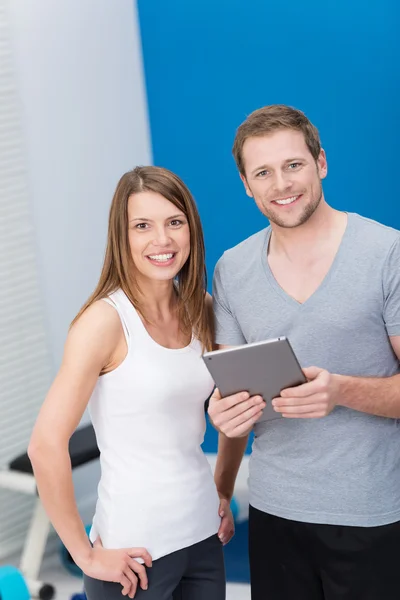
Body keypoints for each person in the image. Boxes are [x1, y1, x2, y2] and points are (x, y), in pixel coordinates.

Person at [208, 104, 400, 600]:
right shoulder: (232, 270)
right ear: (247, 186)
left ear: (321, 163)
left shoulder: (387, 254)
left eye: (293, 165)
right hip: (274, 517)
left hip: (374, 516)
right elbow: (236, 395)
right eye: (263, 173)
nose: (281, 184)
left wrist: (342, 391)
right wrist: (222, 487)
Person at [28, 166, 233, 600]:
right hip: (134, 552)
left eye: (174, 222)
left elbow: (236, 404)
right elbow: (45, 445)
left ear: (191, 230)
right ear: (122, 238)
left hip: (202, 535)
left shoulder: (205, 311)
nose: (162, 240)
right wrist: (84, 554)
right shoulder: (103, 322)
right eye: (142, 226)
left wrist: (223, 488)